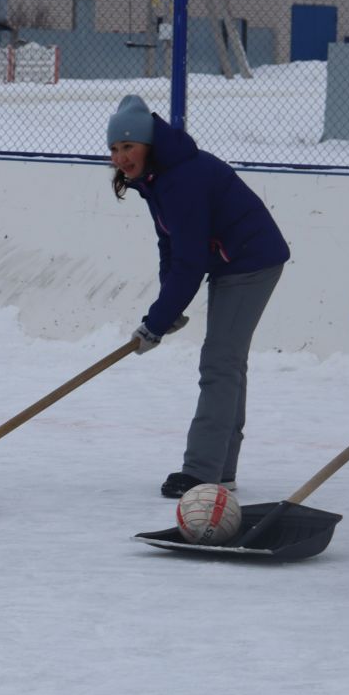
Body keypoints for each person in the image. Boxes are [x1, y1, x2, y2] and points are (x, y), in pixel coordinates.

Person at [107, 95, 290, 498]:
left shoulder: (181, 179)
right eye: (115, 149)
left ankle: (201, 472)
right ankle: (221, 470)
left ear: (148, 144)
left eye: (128, 147)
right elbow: (170, 247)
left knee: (220, 362)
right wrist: (166, 308)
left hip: (251, 262)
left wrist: (156, 322)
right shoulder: (155, 179)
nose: (120, 158)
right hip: (229, 260)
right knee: (227, 363)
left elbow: (189, 262)